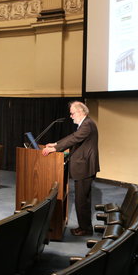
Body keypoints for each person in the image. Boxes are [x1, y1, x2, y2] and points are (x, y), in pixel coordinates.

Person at [42, 101, 100, 236]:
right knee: (82, 200)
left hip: (85, 167)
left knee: (81, 200)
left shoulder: (87, 125)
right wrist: (56, 143)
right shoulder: (86, 124)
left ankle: (85, 229)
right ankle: (85, 227)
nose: (71, 116)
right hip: (84, 167)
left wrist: (54, 148)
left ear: (80, 112)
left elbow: (74, 139)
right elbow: (72, 137)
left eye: (72, 113)